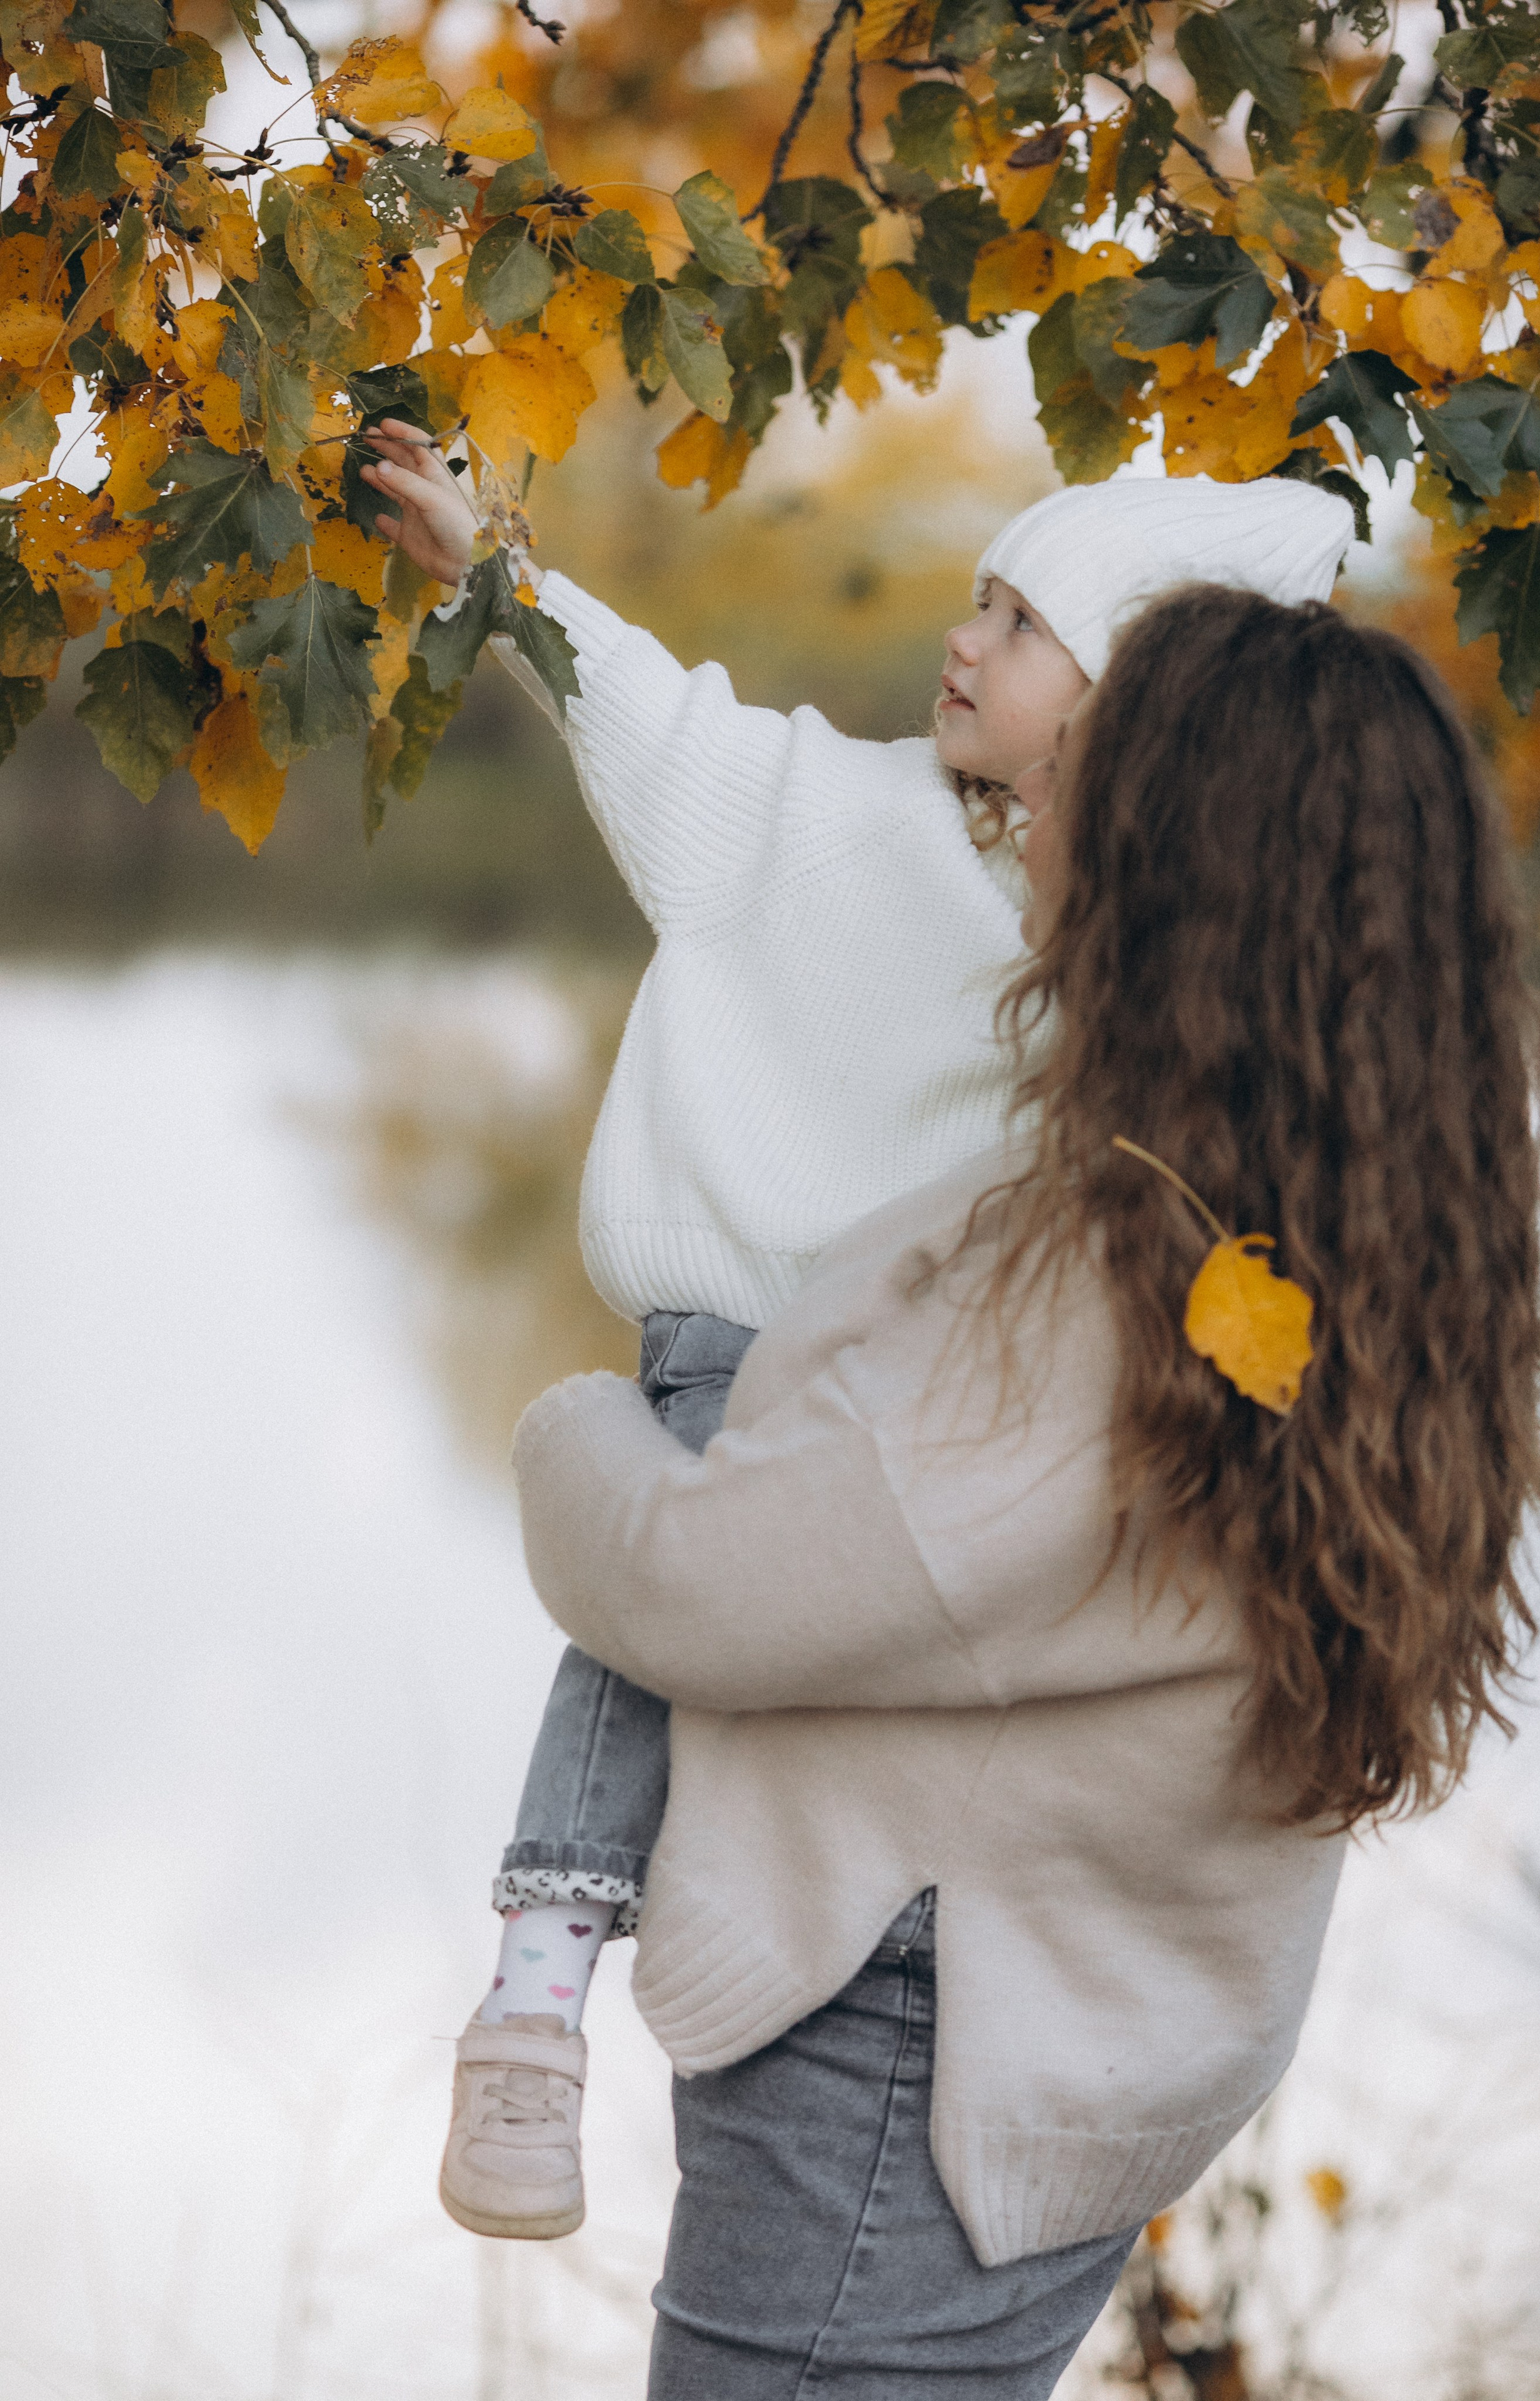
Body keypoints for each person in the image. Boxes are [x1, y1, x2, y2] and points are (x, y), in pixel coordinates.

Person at [508, 581, 1540, 2397]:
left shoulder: (1097, 1298)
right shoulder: (1377, 1249)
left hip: (906, 2062)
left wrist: (575, 1432)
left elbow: (696, 1580)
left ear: (1175, 868)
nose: (1033, 799)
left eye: (1088, 766)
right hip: (1083, 2022)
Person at [361, 428, 1353, 2239]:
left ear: (1133, 705)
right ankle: (539, 1981)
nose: (964, 644)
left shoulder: (1143, 944)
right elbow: (641, 710)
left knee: (803, 1672)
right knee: (663, 1605)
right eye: (978, 601)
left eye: (1023, 626)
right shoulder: (815, 816)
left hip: (924, 1411)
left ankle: (816, 1973)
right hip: (740, 1348)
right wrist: (488, 566)